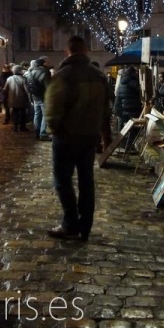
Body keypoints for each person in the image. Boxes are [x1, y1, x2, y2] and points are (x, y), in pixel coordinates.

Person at [44, 35, 111, 242]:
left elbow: (53, 107)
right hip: (89, 136)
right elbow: (105, 108)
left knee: (63, 180)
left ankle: (70, 223)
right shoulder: (99, 76)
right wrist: (104, 134)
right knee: (86, 180)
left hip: (66, 136)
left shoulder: (63, 75)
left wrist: (53, 129)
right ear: (86, 51)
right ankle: (85, 226)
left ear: (68, 51)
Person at [24, 57, 51, 140]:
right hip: (43, 97)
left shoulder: (30, 72)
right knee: (45, 115)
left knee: (37, 115)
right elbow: (48, 86)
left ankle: (37, 132)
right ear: (43, 64)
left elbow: (27, 86)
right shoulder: (44, 72)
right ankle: (42, 133)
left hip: (34, 96)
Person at [113, 65, 142, 130]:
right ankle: (129, 140)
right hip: (131, 108)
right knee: (134, 128)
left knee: (122, 129)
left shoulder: (122, 81)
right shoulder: (133, 81)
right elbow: (139, 90)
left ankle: (122, 139)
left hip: (121, 107)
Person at [3, 65, 31, 132]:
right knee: (22, 113)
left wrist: (6, 96)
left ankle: (15, 127)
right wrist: (29, 98)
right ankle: (22, 127)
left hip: (12, 99)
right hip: (22, 99)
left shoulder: (9, 78)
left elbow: (5, 89)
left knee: (14, 113)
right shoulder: (23, 79)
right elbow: (26, 90)